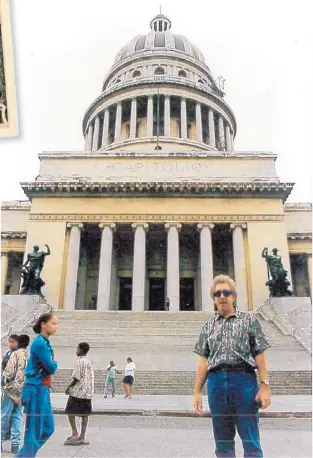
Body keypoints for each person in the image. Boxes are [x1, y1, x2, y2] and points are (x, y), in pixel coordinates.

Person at [193, 275, 271, 458]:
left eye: (226, 292)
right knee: (222, 443)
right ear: (213, 298)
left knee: (250, 440)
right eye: (217, 293)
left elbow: (259, 353)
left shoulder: (249, 320)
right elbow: (203, 360)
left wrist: (265, 385)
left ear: (233, 296)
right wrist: (197, 391)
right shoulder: (208, 326)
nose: (222, 296)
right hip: (216, 382)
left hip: (243, 380)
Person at [15, 312, 58, 458]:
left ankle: (23, 455)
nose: (56, 327)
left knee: (48, 427)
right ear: (43, 324)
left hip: (42, 388)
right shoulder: (39, 343)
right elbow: (51, 367)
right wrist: (55, 364)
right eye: (53, 323)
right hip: (35, 389)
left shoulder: (45, 343)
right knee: (33, 431)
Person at [1, 334, 30, 455]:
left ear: (18, 342)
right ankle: (15, 444)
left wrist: (3, 381)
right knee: (18, 416)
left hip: (11, 390)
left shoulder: (15, 354)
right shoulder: (29, 356)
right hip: (23, 390)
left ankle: (1, 439)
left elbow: (8, 373)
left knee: (5, 415)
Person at [64, 342, 94, 446]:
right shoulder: (89, 362)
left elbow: (76, 377)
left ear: (81, 350)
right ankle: (82, 436)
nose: (76, 350)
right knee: (85, 414)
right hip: (87, 392)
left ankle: (75, 433)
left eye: (77, 348)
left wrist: (68, 387)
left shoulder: (80, 362)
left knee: (70, 411)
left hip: (78, 392)